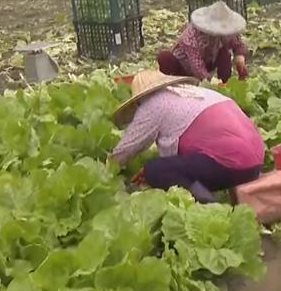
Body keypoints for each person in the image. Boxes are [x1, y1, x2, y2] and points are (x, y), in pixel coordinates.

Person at [110, 70, 265, 202]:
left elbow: (125, 150)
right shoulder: (200, 93)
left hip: (232, 166)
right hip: (255, 162)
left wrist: (108, 168)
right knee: (174, 163)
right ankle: (216, 195)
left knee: (154, 169)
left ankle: (208, 204)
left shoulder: (153, 104)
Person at [157, 1, 248, 83]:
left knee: (224, 53)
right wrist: (210, 81)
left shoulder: (227, 31)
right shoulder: (191, 37)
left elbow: (238, 44)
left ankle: (225, 83)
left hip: (208, 61)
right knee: (164, 57)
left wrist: (240, 59)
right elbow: (196, 65)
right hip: (184, 67)